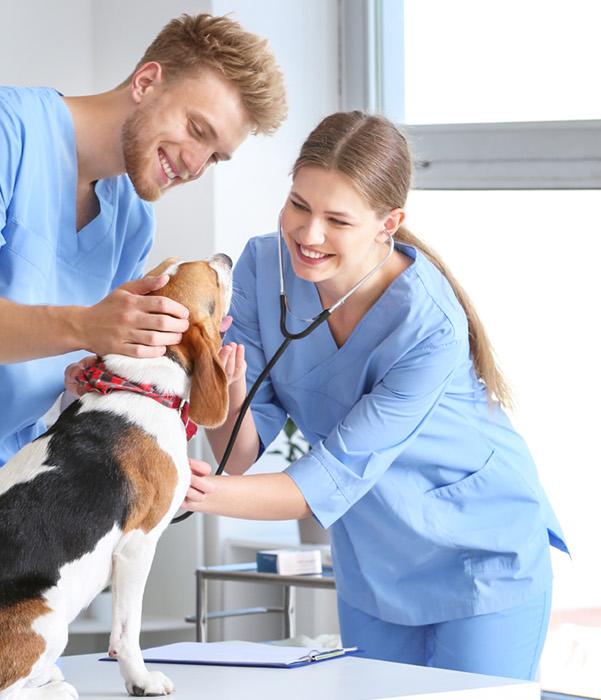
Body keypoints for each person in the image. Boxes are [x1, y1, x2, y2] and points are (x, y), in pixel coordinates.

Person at [0, 13, 287, 675]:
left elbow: (76, 353)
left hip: (14, 491)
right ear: (147, 81)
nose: (196, 163)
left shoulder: (129, 217)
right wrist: (88, 328)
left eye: (216, 156)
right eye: (197, 131)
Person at [181, 112, 568, 681]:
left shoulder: (427, 323)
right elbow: (237, 453)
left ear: (389, 223)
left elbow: (331, 476)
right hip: (372, 559)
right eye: (299, 206)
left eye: (338, 220)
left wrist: (186, 490)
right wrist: (232, 390)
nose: (309, 235)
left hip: (480, 553)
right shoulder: (265, 266)